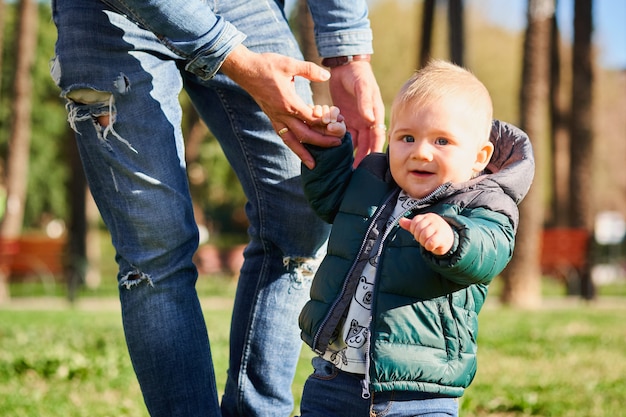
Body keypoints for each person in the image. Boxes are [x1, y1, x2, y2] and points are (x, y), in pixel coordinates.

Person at [49, 1, 385, 416]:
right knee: (155, 246)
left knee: (300, 212)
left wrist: (347, 53)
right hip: (109, 14)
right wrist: (236, 59)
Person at [297, 60, 535, 416]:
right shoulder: (371, 179)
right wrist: (328, 148)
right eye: (407, 137)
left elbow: (490, 250)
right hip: (334, 380)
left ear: (479, 157)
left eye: (442, 140)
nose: (421, 151)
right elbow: (328, 198)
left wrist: (454, 240)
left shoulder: (484, 204)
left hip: (420, 393)